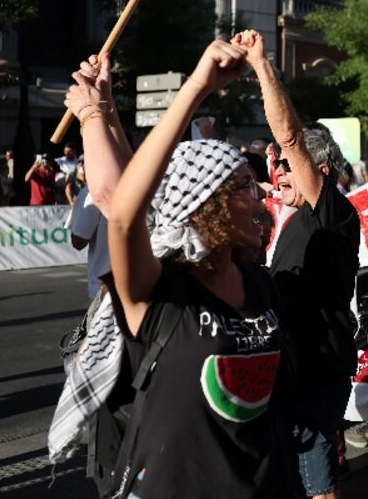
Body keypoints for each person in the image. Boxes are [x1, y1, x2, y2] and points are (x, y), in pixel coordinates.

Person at [105, 39, 295, 497]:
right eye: (246, 187)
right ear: (206, 205)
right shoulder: (159, 290)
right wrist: (196, 88)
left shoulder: (258, 283)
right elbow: (124, 215)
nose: (261, 197)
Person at [236, 29, 360, 499]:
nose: (280, 174)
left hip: (316, 365)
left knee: (317, 482)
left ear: (320, 172)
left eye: (288, 167)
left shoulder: (333, 211)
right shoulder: (293, 220)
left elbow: (288, 135)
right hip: (288, 365)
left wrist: (261, 64)